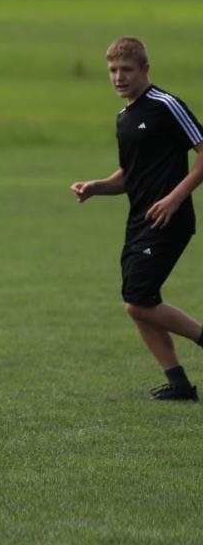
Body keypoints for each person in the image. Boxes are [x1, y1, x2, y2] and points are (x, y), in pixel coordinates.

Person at [72, 36, 203, 400]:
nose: (118, 77)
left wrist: (175, 198)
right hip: (139, 222)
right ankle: (178, 383)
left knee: (138, 300)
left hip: (169, 220)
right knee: (138, 304)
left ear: (145, 69)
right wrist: (98, 186)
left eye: (126, 70)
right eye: (112, 70)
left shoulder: (167, 105)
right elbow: (130, 174)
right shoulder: (124, 117)